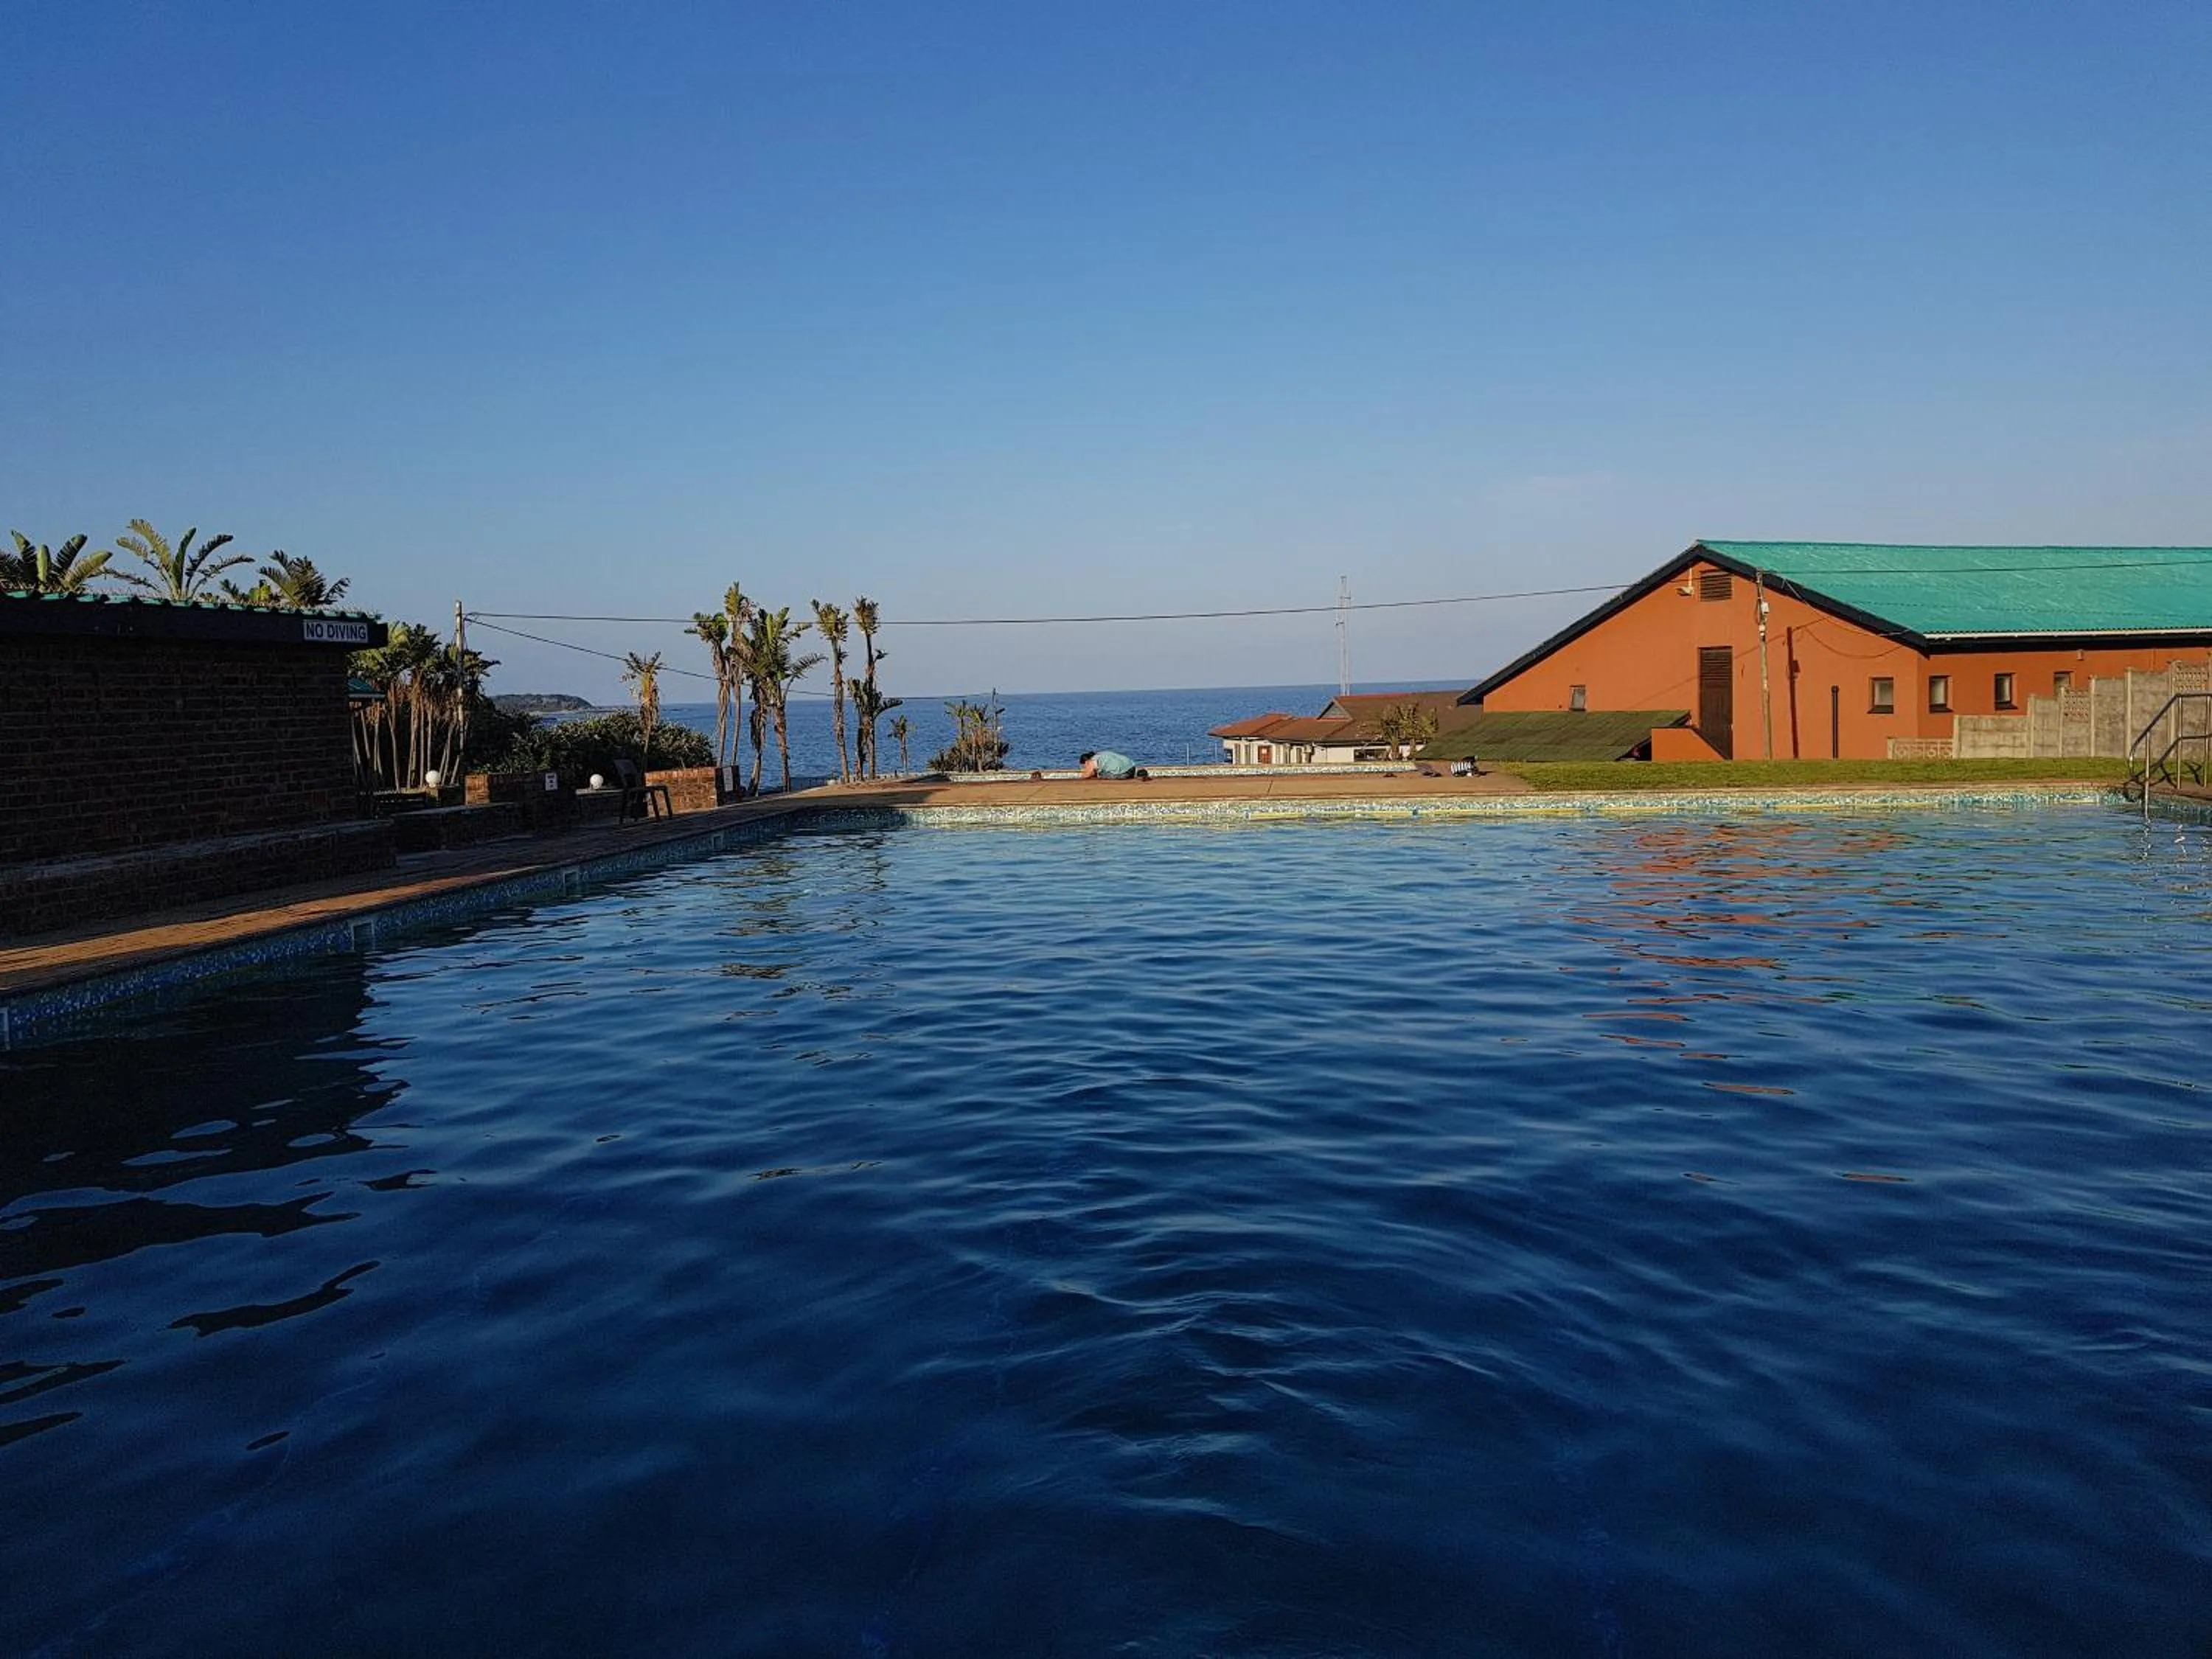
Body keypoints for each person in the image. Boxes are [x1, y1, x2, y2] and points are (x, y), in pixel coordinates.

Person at [1077, 749, 1149, 780]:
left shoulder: (1093, 760)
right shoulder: (1102, 754)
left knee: (1102, 775)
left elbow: (1088, 774)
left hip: (1124, 774)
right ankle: (1140, 773)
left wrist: (1081, 776)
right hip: (1132, 768)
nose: (1085, 767)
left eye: (1084, 765)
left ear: (1086, 761)